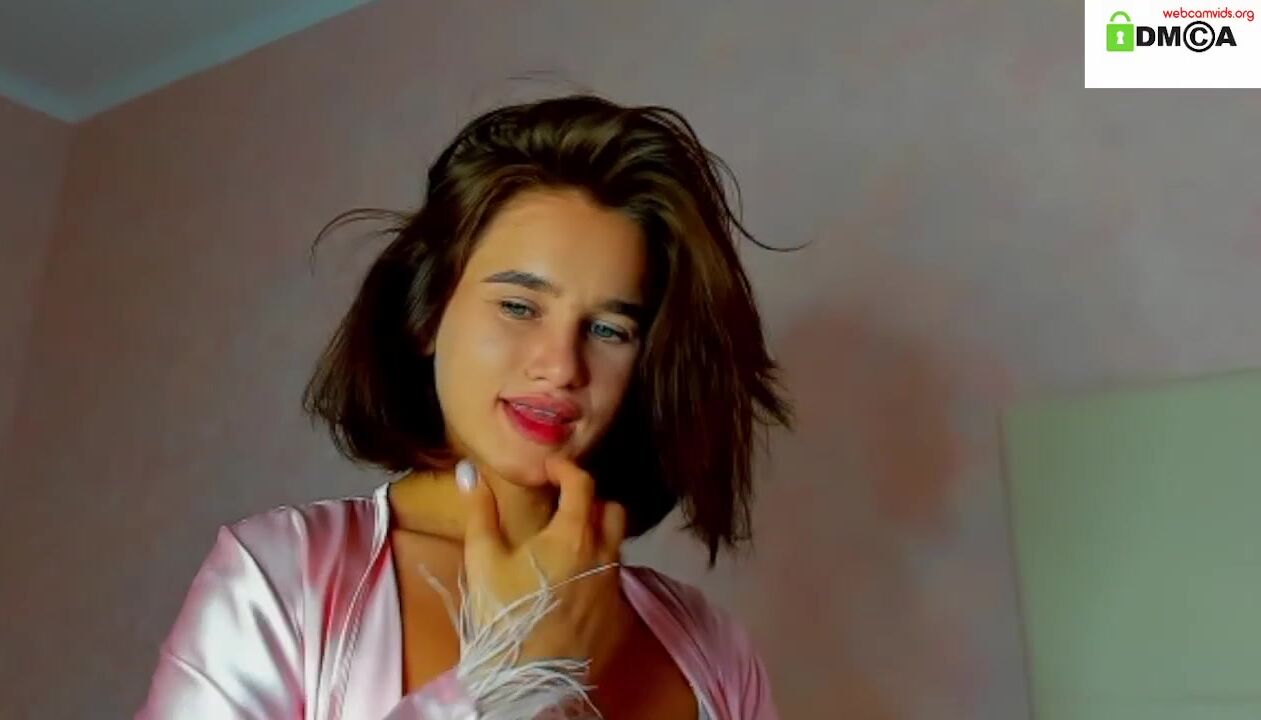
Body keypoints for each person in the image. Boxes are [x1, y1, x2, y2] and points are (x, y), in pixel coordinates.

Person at [137, 94, 792, 720]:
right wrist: (513, 675)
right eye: (518, 307)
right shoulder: (283, 578)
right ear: (427, 312)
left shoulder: (711, 649)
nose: (561, 366)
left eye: (607, 329)